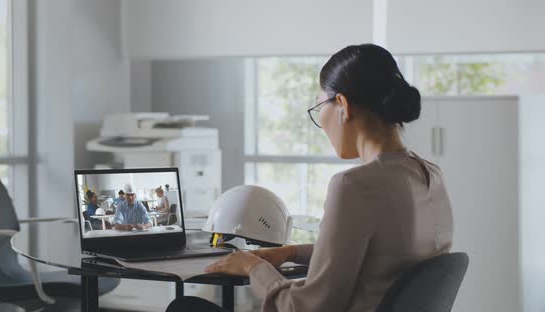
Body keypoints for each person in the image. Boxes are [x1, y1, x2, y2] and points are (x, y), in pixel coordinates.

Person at [166, 44, 453, 312]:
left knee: (184, 307)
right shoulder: (430, 174)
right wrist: (291, 252)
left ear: (342, 105)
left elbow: (306, 308)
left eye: (319, 108)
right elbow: (380, 256)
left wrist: (254, 268)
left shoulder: (354, 186)